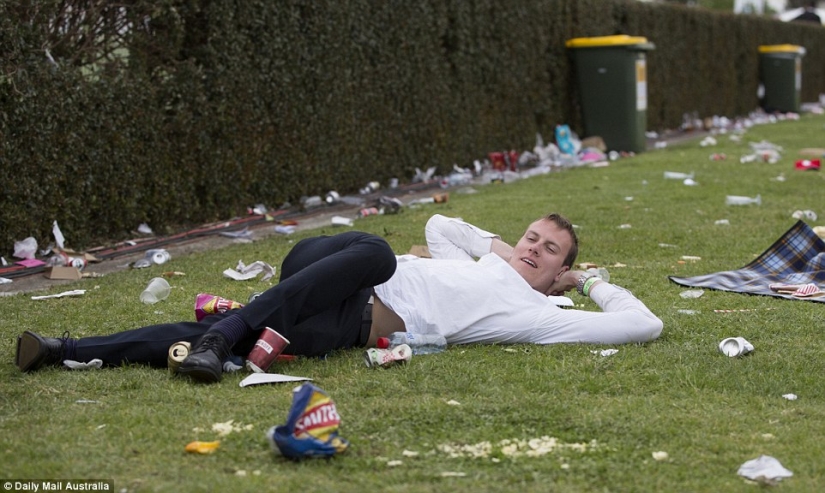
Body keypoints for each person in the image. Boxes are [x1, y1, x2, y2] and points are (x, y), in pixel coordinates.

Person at [15, 213, 663, 383]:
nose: (533, 247)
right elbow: (443, 228)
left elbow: (643, 325)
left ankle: (62, 349)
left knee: (226, 334)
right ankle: (223, 336)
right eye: (532, 236)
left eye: (549, 250)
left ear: (560, 274)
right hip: (331, 263)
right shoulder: (472, 259)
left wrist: (589, 283)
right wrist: (501, 249)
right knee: (381, 251)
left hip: (342, 319)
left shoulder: (534, 314)